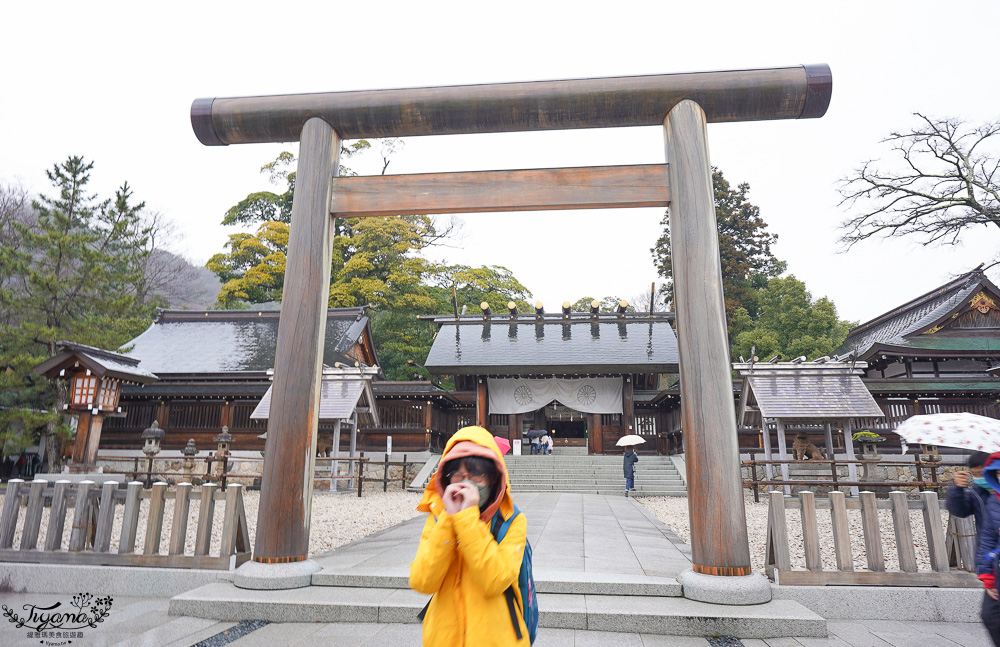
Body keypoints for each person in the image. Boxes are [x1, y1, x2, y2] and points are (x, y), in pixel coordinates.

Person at [410, 425, 530, 646]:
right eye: (458, 474)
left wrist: (467, 519)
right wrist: (449, 517)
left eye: (476, 474)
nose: (467, 482)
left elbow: (495, 580)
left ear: (494, 478)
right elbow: (422, 581)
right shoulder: (438, 517)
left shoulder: (512, 521)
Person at [974, 451, 1000, 645]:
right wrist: (988, 578)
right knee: (990, 616)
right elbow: (988, 539)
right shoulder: (994, 500)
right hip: (998, 570)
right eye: (998, 473)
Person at [947, 451, 991, 551]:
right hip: (986, 547)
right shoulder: (975, 492)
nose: (979, 478)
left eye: (981, 473)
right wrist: (957, 489)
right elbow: (960, 511)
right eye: (974, 474)